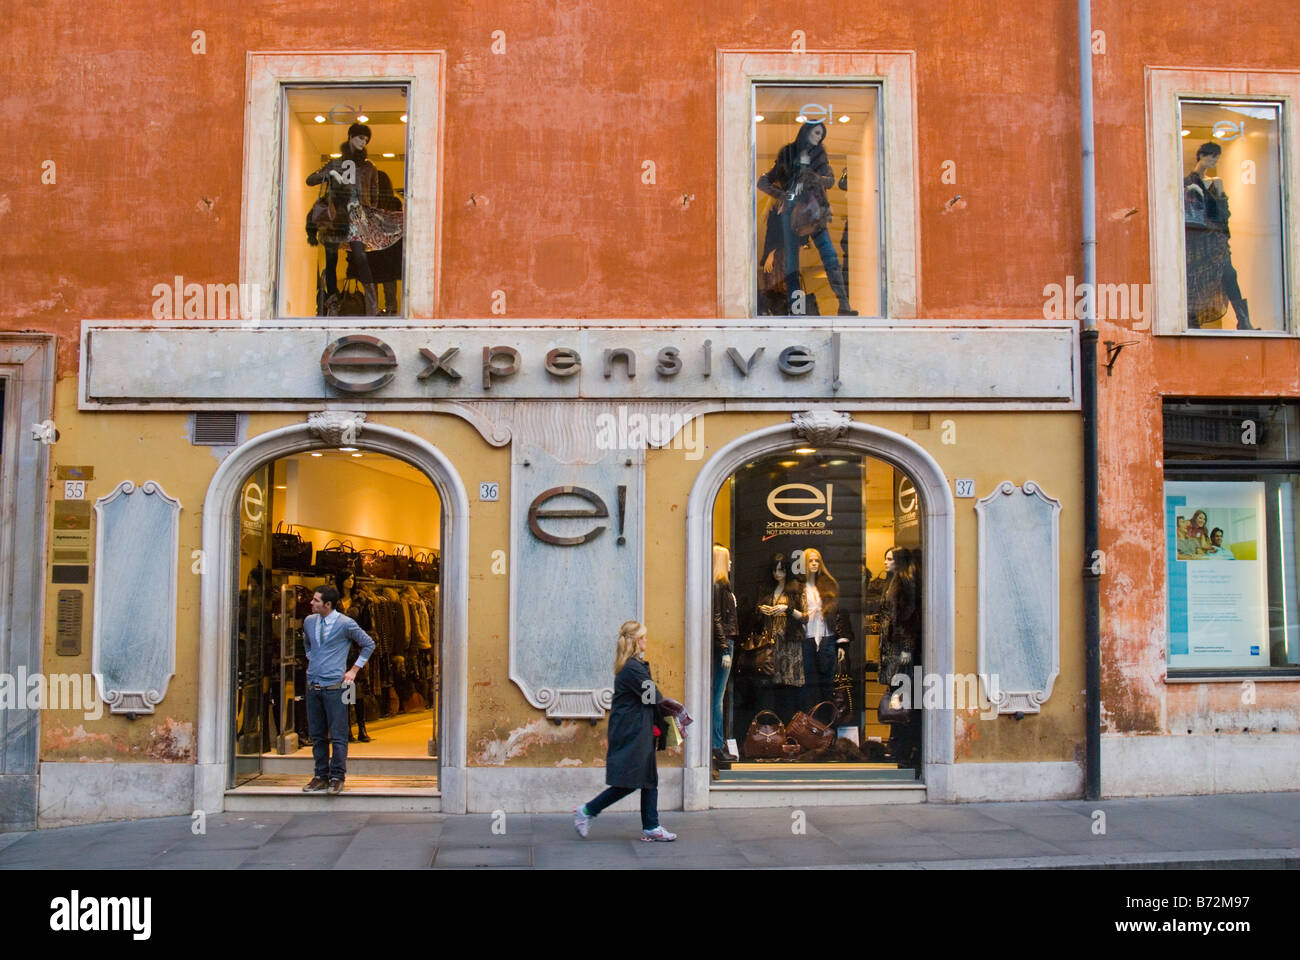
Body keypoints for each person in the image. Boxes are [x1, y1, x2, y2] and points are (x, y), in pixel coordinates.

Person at [574, 621, 683, 841]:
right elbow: (653, 696)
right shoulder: (633, 668)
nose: (646, 641)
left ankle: (651, 827)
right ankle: (587, 811)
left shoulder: (632, 666)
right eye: (643, 637)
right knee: (631, 782)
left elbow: (647, 697)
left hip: (637, 727)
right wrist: (674, 710)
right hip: (633, 730)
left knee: (647, 778)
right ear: (635, 642)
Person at [757, 120, 857, 317]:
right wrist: (784, 195)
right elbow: (763, 181)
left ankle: (844, 305)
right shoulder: (788, 153)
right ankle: (796, 309)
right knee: (792, 262)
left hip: (814, 210)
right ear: (806, 131)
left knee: (829, 256)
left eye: (821, 135)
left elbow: (829, 181)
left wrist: (811, 174)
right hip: (792, 212)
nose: (818, 138)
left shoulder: (819, 155)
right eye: (816, 133)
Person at [301, 584, 375, 795]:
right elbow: (307, 643)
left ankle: (337, 776)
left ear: (328, 604)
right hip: (313, 684)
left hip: (336, 686)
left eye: (315, 600)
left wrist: (353, 670)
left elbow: (369, 644)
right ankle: (320, 775)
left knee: (339, 734)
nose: (311, 603)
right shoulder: (309, 621)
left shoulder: (346, 624)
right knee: (317, 734)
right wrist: (312, 658)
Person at [307, 123, 380, 316]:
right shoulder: (336, 163)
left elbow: (375, 197)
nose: (363, 142)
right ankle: (333, 302)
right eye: (360, 138)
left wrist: (369, 217)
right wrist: (329, 174)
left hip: (356, 215)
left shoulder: (369, 167)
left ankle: (372, 305)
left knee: (361, 257)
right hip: (336, 216)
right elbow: (310, 180)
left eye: (366, 140)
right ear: (350, 136)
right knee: (331, 260)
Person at [1185, 141, 1253, 330]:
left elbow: (1225, 214)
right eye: (1212, 155)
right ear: (1202, 155)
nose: (1215, 160)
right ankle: (1192, 319)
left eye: (1217, 157)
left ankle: (1243, 319)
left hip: (1217, 239)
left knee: (1230, 274)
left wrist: (1220, 193)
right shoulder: (1188, 182)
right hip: (1197, 240)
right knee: (1196, 279)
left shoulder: (1216, 182)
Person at [786, 547, 852, 709]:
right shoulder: (796, 587)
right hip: (805, 639)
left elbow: (839, 614)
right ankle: (808, 728)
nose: (814, 564)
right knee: (806, 685)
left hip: (826, 639)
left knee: (827, 685)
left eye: (817, 561)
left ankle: (828, 724)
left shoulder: (829, 586)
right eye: (811, 561)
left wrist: (841, 643)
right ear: (804, 563)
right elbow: (790, 615)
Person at [879, 547, 921, 768]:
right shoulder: (893, 581)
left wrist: (906, 648)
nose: (886, 562)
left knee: (900, 695)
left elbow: (907, 618)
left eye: (890, 559)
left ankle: (901, 744)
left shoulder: (904, 583)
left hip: (901, 649)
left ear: (899, 562)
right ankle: (898, 742)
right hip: (893, 647)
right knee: (897, 693)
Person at [711, 544, 739, 762]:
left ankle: (716, 743)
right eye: (727, 559)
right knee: (717, 697)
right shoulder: (719, 586)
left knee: (717, 696)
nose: (730, 563)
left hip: (725, 643)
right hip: (724, 644)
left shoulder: (720, 586)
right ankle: (716, 745)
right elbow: (717, 618)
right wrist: (723, 649)